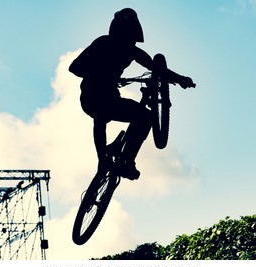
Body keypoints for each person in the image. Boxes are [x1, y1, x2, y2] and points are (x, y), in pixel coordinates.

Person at [69, 8, 194, 180]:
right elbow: (74, 67)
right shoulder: (102, 43)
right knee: (101, 115)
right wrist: (99, 74)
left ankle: (127, 160)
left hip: (112, 99)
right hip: (92, 97)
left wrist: (180, 79)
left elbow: (156, 68)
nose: (128, 42)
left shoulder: (132, 51)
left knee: (145, 117)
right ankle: (103, 159)